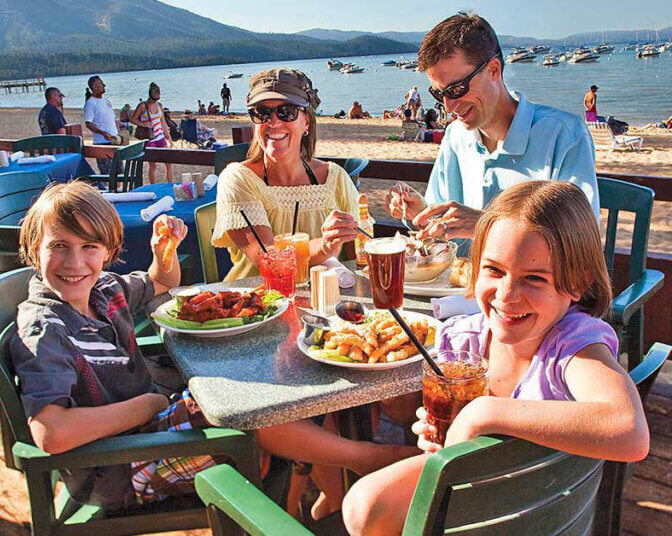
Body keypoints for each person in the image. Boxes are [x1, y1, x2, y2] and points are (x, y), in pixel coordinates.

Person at [9, 180, 413, 511]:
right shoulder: (44, 327)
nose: (74, 263)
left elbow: (162, 282)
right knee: (250, 412)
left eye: (88, 248)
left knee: (286, 398)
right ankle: (370, 460)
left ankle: (335, 495)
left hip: (148, 427)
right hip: (118, 466)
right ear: (32, 250)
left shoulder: (105, 291)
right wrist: (145, 405)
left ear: (109, 252)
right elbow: (52, 435)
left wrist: (162, 251)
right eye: (58, 246)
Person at [342, 180, 650, 536]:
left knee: (364, 506)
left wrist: (484, 413)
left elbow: (630, 430)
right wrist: (435, 433)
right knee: (362, 507)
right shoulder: (462, 342)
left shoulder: (574, 346)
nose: (507, 295)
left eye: (534, 278)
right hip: (478, 502)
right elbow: (429, 434)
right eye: (494, 270)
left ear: (577, 283)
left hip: (535, 513)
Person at [386, 12, 599, 251]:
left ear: (493, 70)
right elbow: (442, 232)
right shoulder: (456, 136)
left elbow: (582, 240)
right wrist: (423, 213)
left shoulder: (564, 135)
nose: (448, 106)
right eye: (439, 94)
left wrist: (485, 223)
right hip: (460, 286)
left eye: (457, 88)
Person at [212, 68, 361, 282]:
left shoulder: (335, 178)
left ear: (306, 122)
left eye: (287, 111)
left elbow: (360, 253)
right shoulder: (238, 179)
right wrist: (325, 245)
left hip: (329, 306)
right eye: (262, 112)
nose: (273, 122)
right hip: (257, 308)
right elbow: (269, 258)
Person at [130, 83, 174, 184]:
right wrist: (143, 124)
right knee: (153, 165)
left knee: (168, 162)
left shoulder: (159, 105)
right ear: (150, 96)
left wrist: (169, 137)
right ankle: (153, 186)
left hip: (160, 137)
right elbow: (132, 119)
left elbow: (163, 122)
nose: (155, 101)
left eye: (157, 99)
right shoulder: (142, 106)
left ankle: (170, 184)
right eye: (154, 99)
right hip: (150, 138)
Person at [83, 75, 120, 175]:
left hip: (114, 141)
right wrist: (102, 132)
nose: (104, 85)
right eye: (101, 84)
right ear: (94, 87)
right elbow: (89, 123)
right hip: (102, 143)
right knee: (107, 173)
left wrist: (120, 131)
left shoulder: (107, 102)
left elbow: (112, 120)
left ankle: (119, 190)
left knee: (119, 172)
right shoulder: (90, 103)